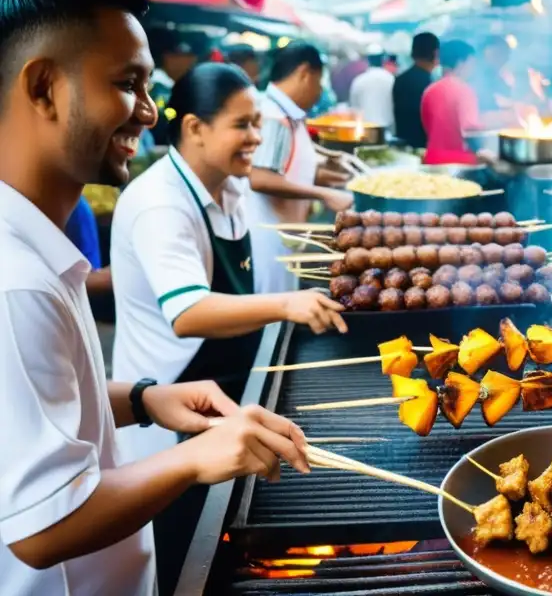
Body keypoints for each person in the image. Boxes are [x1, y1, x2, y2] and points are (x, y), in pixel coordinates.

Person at [0, 0, 309, 596]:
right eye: (128, 83)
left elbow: (42, 397)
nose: (148, 112)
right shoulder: (16, 280)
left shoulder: (35, 247)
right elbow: (40, 528)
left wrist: (142, 400)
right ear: (43, 88)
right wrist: (195, 458)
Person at [110, 62, 346, 593]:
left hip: (224, 383)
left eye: (259, 123)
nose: (256, 138)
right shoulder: (159, 203)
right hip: (168, 408)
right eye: (243, 125)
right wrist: (286, 304)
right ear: (195, 127)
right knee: (184, 545)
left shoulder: (227, 186)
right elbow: (189, 311)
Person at [248, 41, 352, 294]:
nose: (319, 92)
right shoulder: (274, 116)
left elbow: (289, 165)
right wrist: (324, 194)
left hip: (285, 236)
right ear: (304, 73)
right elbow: (260, 178)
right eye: (318, 82)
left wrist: (334, 176)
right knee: (272, 316)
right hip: (269, 238)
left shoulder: (287, 113)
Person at [421, 40, 485, 164]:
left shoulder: (430, 90)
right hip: (460, 161)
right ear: (461, 63)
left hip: (431, 158)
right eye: (471, 63)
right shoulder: (464, 90)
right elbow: (470, 128)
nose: (473, 69)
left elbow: (428, 126)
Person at [392, 32, 439, 148]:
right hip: (424, 147)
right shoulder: (430, 84)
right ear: (436, 53)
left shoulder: (400, 80)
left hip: (402, 145)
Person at [349, 48, 396, 130]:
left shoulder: (359, 80)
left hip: (364, 128)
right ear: (382, 59)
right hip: (387, 127)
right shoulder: (391, 79)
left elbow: (354, 106)